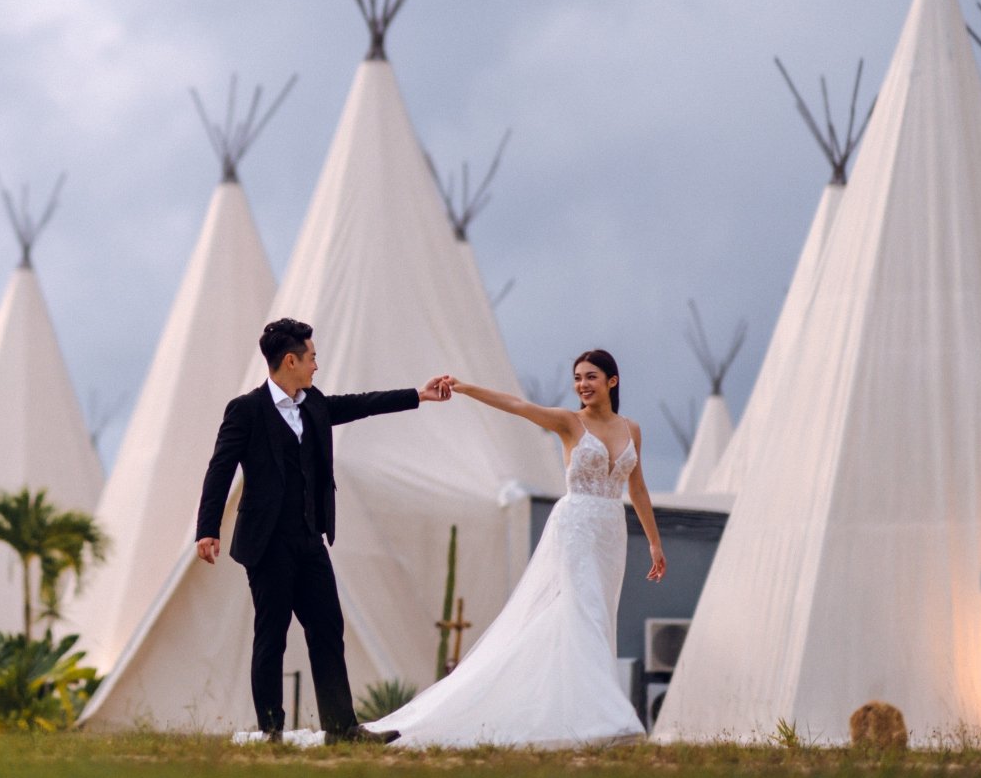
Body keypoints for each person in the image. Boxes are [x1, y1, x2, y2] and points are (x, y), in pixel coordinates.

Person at [367, 348, 665, 748]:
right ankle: (608, 718)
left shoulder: (633, 430)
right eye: (577, 377)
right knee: (586, 611)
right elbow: (517, 405)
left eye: (591, 377)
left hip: (611, 532)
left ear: (612, 381)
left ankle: (577, 713)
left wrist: (654, 543)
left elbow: (638, 487)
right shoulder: (568, 422)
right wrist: (466, 387)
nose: (582, 385)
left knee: (595, 617)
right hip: (575, 525)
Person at [194, 317, 454, 744]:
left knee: (327, 630)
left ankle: (341, 729)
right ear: (290, 360)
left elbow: (362, 403)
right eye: (312, 357)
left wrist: (419, 395)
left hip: (310, 540)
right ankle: (271, 733)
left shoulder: (313, 404)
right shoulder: (246, 410)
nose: (317, 365)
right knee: (271, 636)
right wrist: (208, 529)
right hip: (266, 544)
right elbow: (220, 469)